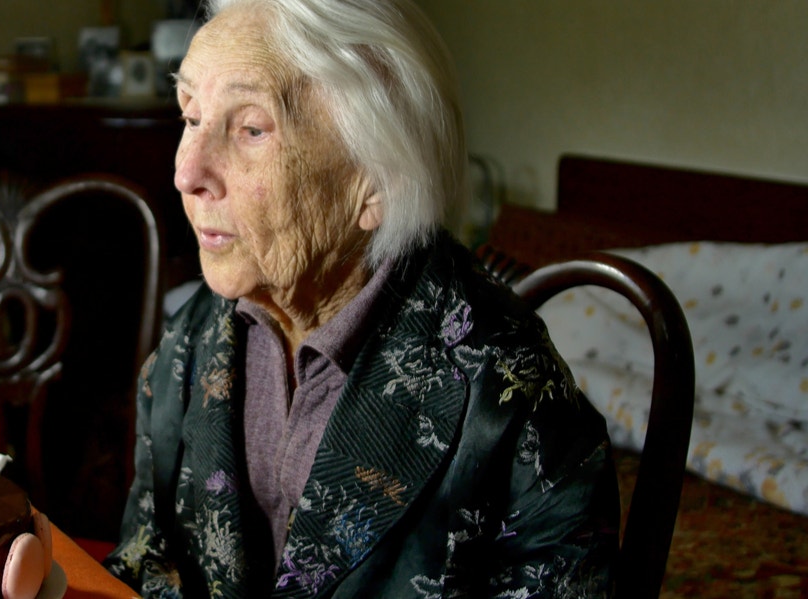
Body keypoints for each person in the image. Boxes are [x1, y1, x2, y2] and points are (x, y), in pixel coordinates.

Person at [103, 0, 620, 596]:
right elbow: (146, 561)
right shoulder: (191, 340)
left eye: (250, 128)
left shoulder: (509, 391)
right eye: (190, 115)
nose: (187, 171)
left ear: (375, 181)